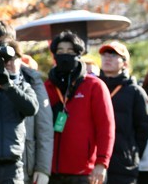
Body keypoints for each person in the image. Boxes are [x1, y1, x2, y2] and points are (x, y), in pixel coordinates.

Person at [44, 30, 115, 183]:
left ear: (78, 54)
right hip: (50, 171)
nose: (64, 55)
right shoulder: (47, 87)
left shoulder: (94, 86)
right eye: (60, 51)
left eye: (70, 51)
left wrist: (102, 163)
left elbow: (106, 127)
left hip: (84, 172)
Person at [0, 40, 39, 183]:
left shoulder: (22, 86)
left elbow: (31, 108)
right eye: (4, 61)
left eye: (12, 59)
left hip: (13, 167)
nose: (8, 64)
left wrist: (9, 86)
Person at [98, 41, 148, 183]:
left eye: (114, 55)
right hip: (93, 163)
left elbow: (143, 129)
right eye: (105, 54)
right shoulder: (93, 86)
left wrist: (131, 153)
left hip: (123, 166)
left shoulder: (135, 92)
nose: (107, 58)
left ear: (125, 63)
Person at [5, 40, 54, 184]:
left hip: (26, 167)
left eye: (12, 58)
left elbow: (44, 127)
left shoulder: (31, 79)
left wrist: (43, 168)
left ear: (20, 58)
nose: (8, 63)